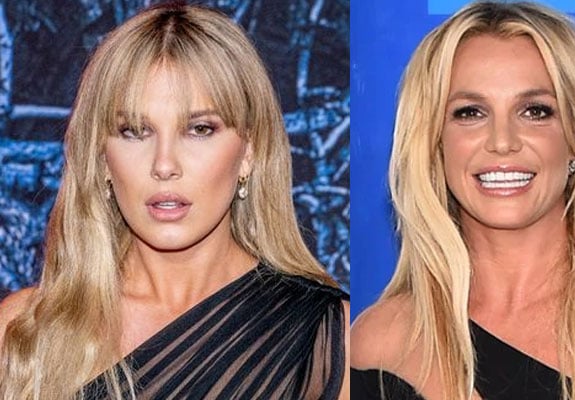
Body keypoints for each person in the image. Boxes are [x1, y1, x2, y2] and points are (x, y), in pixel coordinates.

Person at [351, 2, 575, 399]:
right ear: (435, 143)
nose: (502, 141)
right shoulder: (380, 343)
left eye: (535, 111)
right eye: (470, 113)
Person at [0, 4, 349, 399]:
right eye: (135, 131)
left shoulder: (325, 337)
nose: (164, 165)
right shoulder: (25, 333)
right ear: (102, 158)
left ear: (249, 152)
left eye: (199, 129)